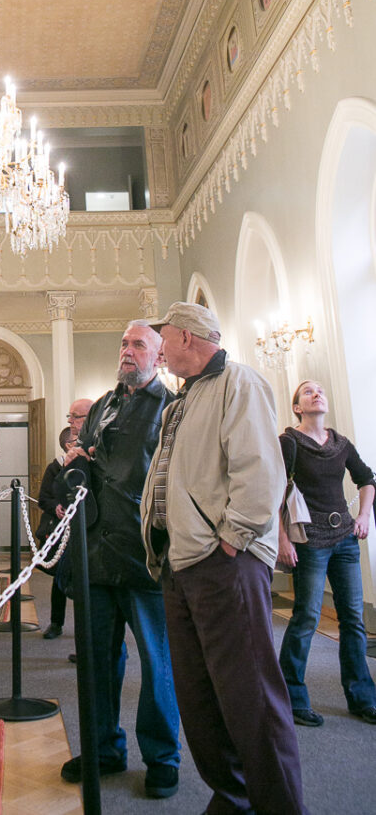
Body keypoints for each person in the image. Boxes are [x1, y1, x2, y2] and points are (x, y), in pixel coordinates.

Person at [141, 302, 309, 815]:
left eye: (163, 339)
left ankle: (280, 806)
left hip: (223, 563)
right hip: (181, 564)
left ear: (188, 338)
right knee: (200, 699)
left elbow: (261, 471)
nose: (160, 350)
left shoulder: (241, 382)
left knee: (251, 696)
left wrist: (232, 539)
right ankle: (233, 798)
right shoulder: (181, 400)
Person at [59, 323, 180, 800]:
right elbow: (82, 456)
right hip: (95, 550)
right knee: (96, 662)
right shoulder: (104, 405)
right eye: (124, 345)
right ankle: (104, 748)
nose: (127, 352)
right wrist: (78, 458)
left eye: (138, 345)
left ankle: (162, 757)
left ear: (160, 356)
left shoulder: (170, 407)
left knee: (157, 662)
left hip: (145, 553)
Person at [277, 379, 376, 726]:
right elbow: (274, 491)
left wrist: (363, 517)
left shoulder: (341, 443)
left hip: (345, 539)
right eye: (308, 391)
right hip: (309, 542)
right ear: (297, 407)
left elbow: (367, 479)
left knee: (353, 620)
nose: (316, 393)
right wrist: (282, 540)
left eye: (320, 390)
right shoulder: (289, 442)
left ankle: (362, 697)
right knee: (306, 617)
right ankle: (292, 696)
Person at [39, 400, 94, 640]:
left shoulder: (92, 455)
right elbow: (45, 498)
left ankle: (87, 636)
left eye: (75, 417)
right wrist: (57, 508)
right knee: (61, 579)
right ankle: (56, 623)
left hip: (89, 527)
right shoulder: (55, 467)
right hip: (62, 530)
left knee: (88, 584)